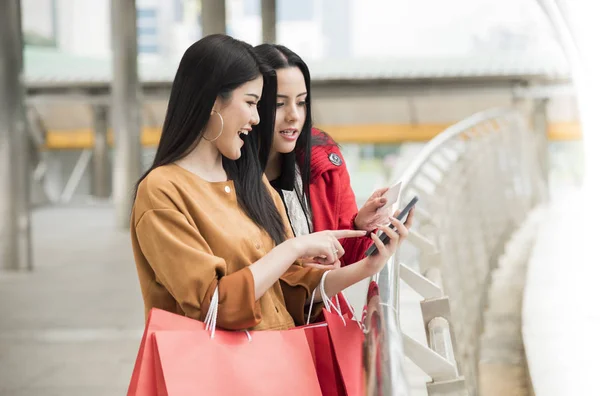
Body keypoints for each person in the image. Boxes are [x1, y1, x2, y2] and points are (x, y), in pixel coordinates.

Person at [130, 34, 413, 332]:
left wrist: (368, 266)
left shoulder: (249, 180)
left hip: (279, 366)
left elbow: (289, 292)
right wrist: (292, 248)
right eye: (252, 103)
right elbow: (214, 306)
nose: (255, 118)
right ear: (213, 101)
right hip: (223, 375)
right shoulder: (162, 191)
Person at [252, 44, 393, 268]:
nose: (294, 116)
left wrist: (360, 227)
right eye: (279, 104)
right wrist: (298, 272)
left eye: (301, 102)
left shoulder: (324, 160)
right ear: (252, 104)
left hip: (321, 302)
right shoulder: (223, 176)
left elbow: (344, 263)